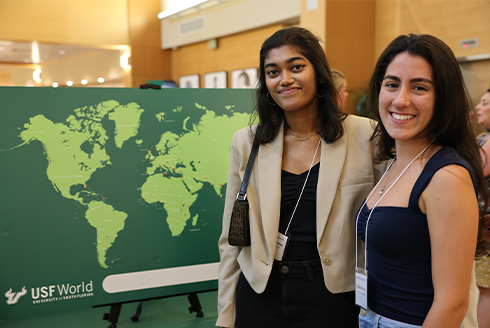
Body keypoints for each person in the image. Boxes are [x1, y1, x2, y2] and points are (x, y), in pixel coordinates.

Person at [217, 27, 384, 328]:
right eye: (273, 71)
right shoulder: (247, 142)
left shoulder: (365, 135)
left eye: (296, 67)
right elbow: (232, 240)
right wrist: (226, 315)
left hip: (334, 296)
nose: (285, 79)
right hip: (259, 294)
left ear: (319, 73)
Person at [356, 33, 489, 328]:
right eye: (392, 84)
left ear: (443, 98)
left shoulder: (447, 176)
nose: (400, 100)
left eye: (419, 87)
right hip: (371, 317)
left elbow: (451, 304)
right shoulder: (395, 162)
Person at [475, 89, 490, 328]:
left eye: (485, 103)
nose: (478, 106)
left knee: (485, 289)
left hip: (485, 221)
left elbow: (473, 171)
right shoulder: (484, 136)